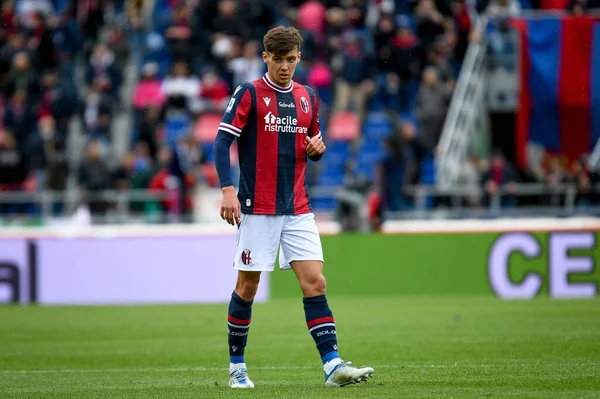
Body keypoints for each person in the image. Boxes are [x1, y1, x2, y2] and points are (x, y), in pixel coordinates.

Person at [213, 26, 374, 389]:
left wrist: (316, 150)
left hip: (298, 206)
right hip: (256, 207)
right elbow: (222, 144)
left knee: (315, 282)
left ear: (299, 57)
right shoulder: (250, 93)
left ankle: (333, 366)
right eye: (278, 59)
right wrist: (227, 190)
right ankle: (237, 367)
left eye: (291, 59)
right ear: (265, 57)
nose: (284, 67)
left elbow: (310, 143)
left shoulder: (308, 98)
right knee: (248, 286)